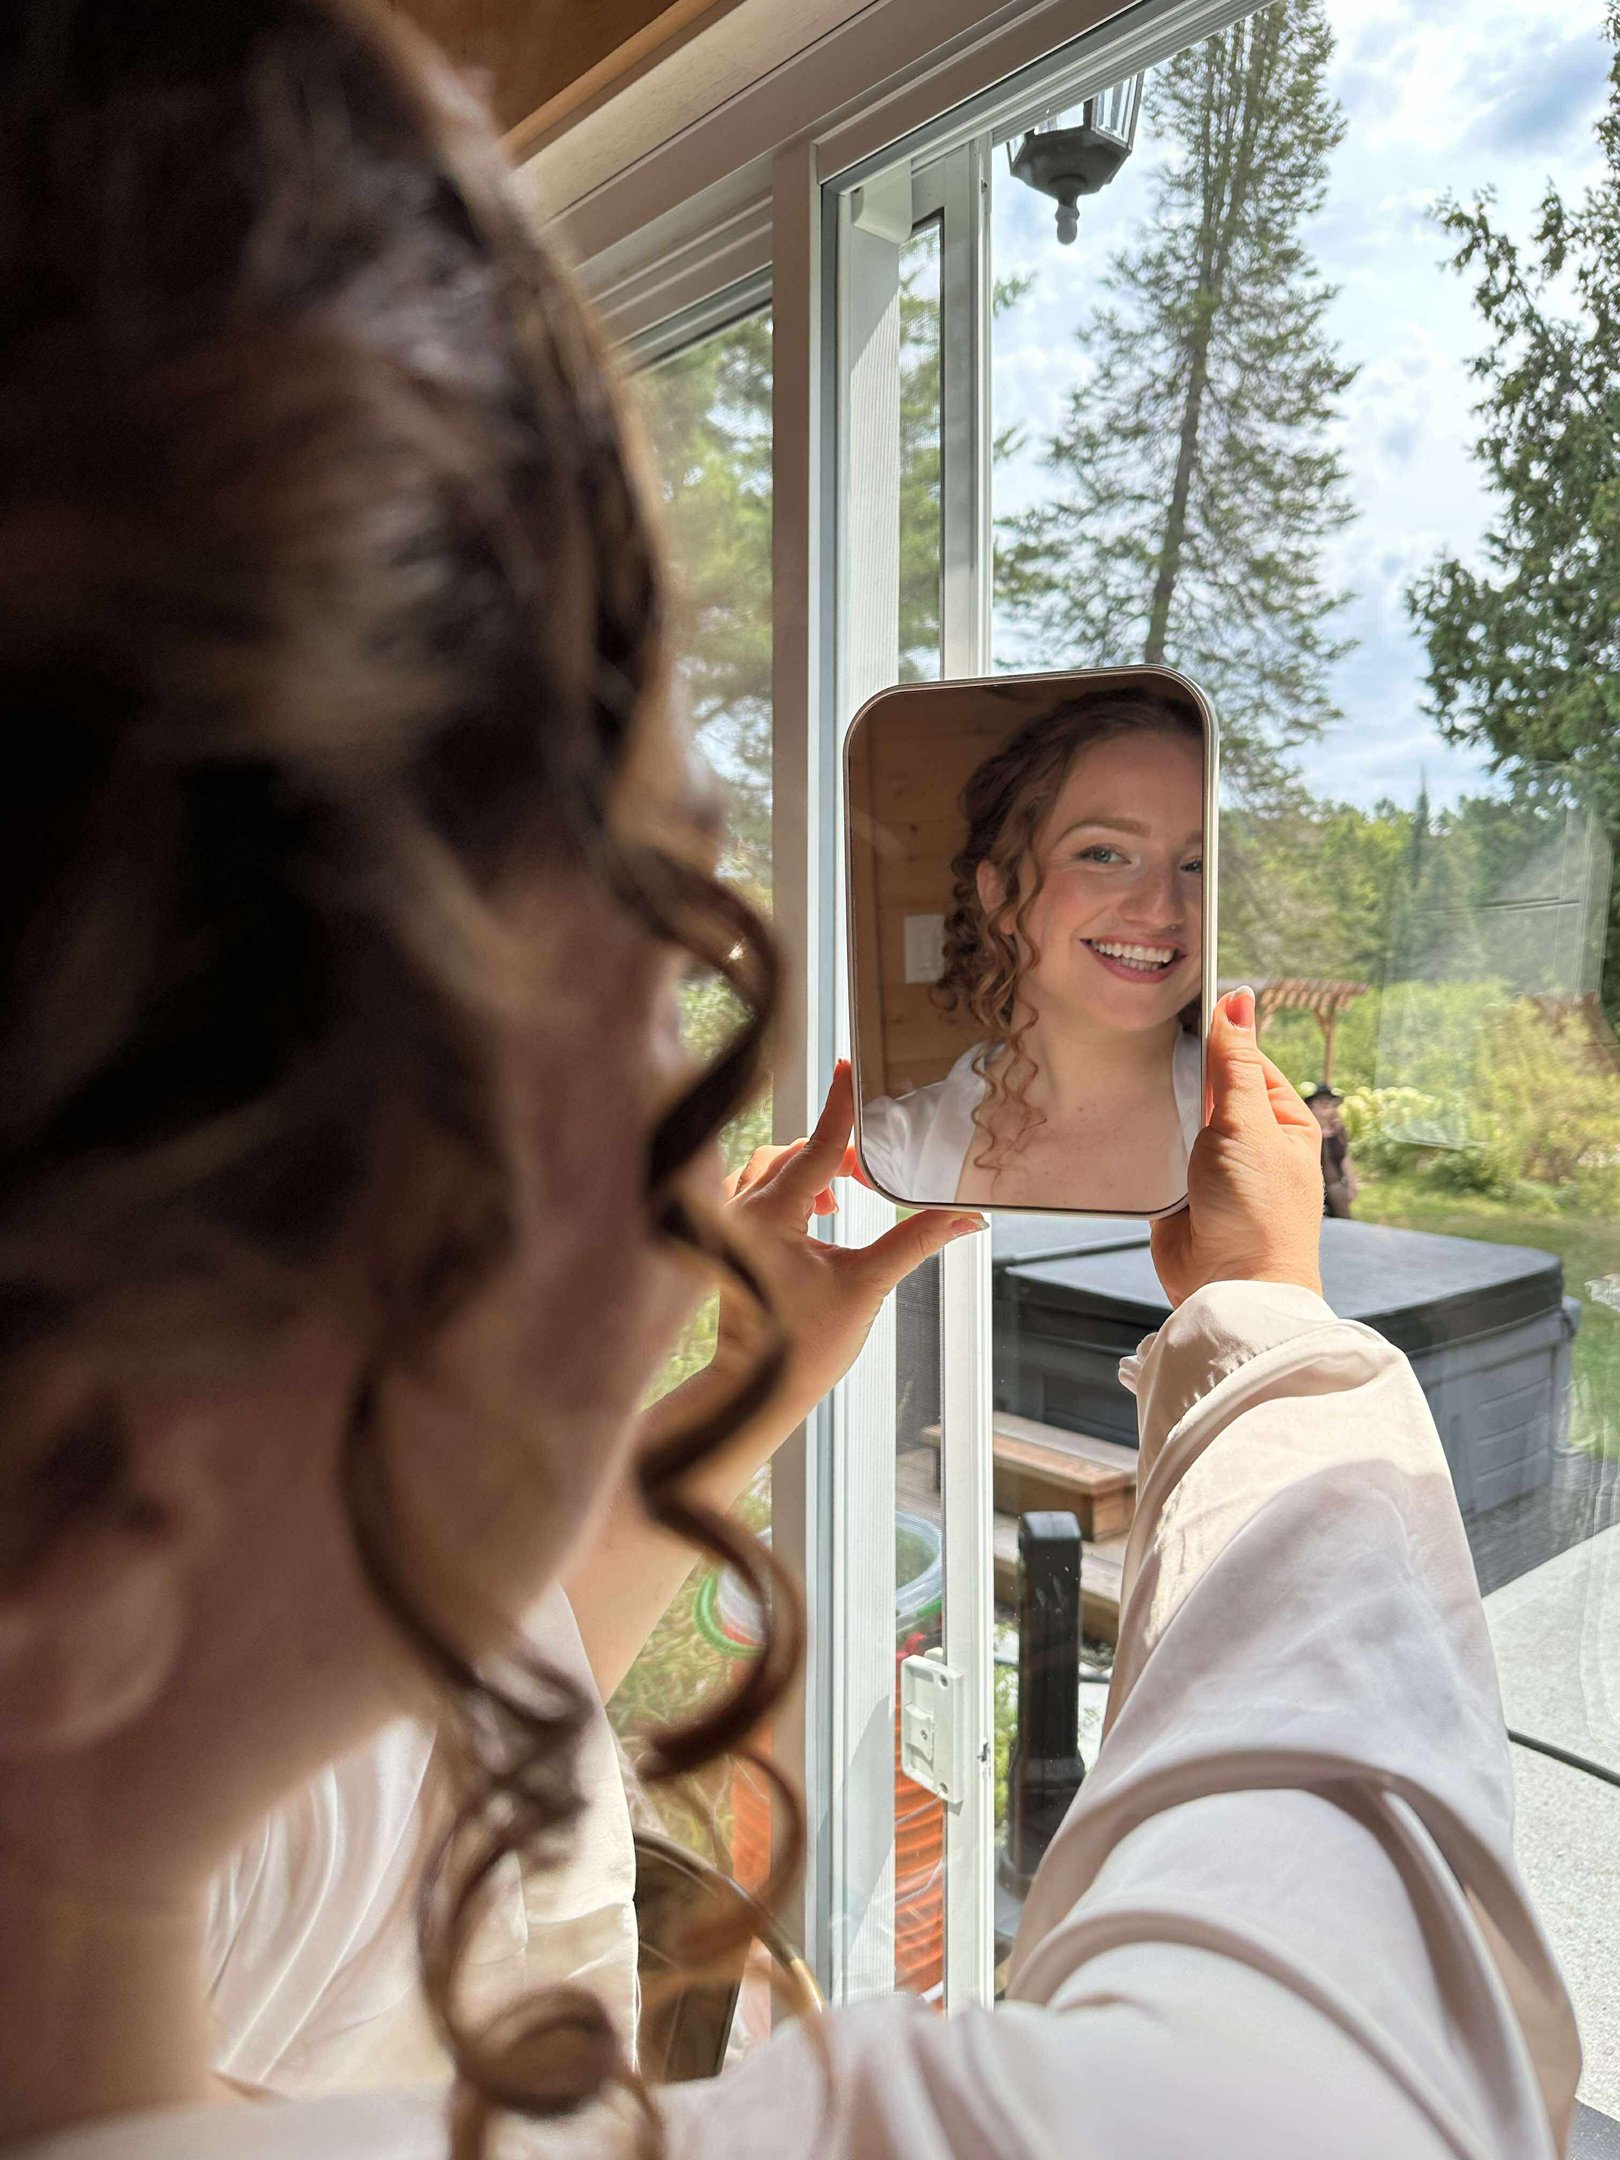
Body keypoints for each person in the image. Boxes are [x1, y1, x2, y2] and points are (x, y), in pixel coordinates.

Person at [0, 11, 1579, 2160]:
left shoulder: (116, 1818)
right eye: (659, 928)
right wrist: (1274, 1343)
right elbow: (1358, 2078)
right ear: (101, 1461)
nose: (693, 1092)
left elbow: (412, 1730)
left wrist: (733, 1402)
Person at [860, 690, 1204, 1213]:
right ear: (999, 892)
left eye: (1196, 865)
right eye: (1103, 854)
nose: (1162, 910)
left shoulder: (1259, 1142)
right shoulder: (885, 1157)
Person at [1306, 1083, 1359, 1219]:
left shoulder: (1338, 1130)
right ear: (1311, 1106)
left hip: (1336, 1188)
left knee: (1342, 1225)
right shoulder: (1305, 1129)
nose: (1325, 1102)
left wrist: (1352, 1183)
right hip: (1310, 1190)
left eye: (1329, 1100)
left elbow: (1345, 1157)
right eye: (1320, 1100)